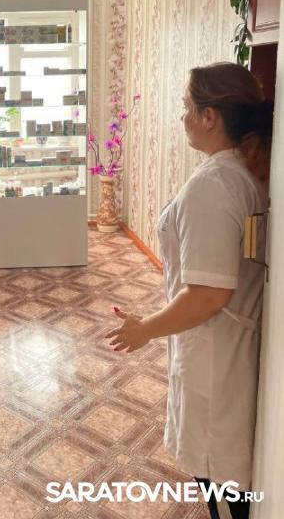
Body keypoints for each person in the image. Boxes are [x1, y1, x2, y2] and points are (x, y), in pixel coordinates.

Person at [106, 62, 273, 519]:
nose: (182, 117)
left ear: (209, 116)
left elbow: (208, 294)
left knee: (221, 479)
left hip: (217, 352)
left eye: (186, 107)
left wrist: (145, 329)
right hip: (230, 346)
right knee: (229, 477)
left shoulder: (213, 186)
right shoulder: (244, 171)